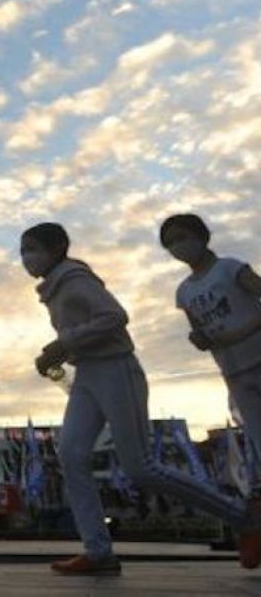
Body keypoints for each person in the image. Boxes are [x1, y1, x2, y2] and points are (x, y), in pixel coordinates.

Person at [21, 222, 261, 575]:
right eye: (23, 251)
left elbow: (115, 317)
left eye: (32, 248)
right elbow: (80, 334)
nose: (27, 257)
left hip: (117, 370)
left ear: (58, 247)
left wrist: (65, 343)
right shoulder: (55, 288)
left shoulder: (75, 278)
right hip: (87, 373)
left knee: (140, 467)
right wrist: (58, 353)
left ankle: (243, 517)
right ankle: (99, 552)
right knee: (71, 455)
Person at [161, 213, 261, 482]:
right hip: (233, 371)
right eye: (169, 243)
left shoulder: (230, 268)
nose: (177, 247)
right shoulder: (183, 292)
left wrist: (244, 330)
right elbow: (197, 331)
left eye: (181, 238)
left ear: (201, 236)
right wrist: (199, 339)